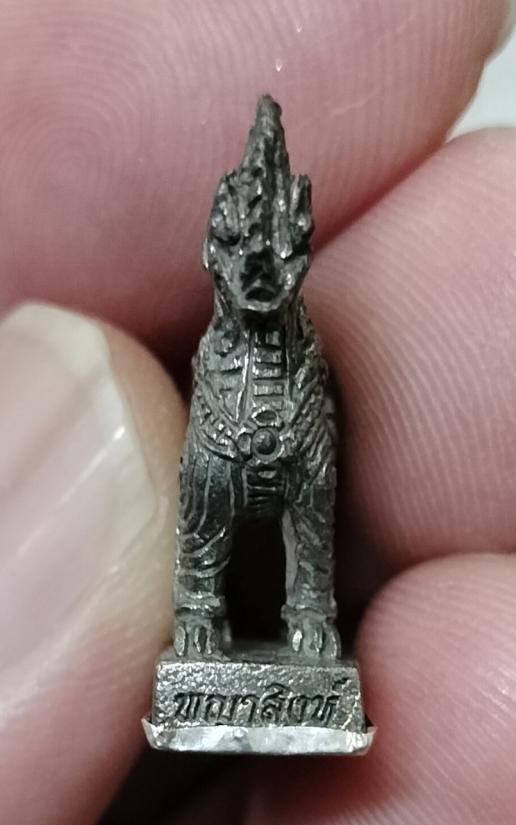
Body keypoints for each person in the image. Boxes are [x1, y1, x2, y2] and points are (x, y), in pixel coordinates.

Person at [0, 1, 515, 823]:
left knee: (311, 505)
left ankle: (307, 614)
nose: (261, 268)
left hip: (295, 412)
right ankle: (201, 612)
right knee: (205, 500)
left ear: (300, 248)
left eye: (277, 250)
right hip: (222, 419)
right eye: (243, 250)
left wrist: (311, 611)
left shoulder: (311, 352)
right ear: (216, 251)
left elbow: (314, 509)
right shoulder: (215, 348)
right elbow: (201, 509)